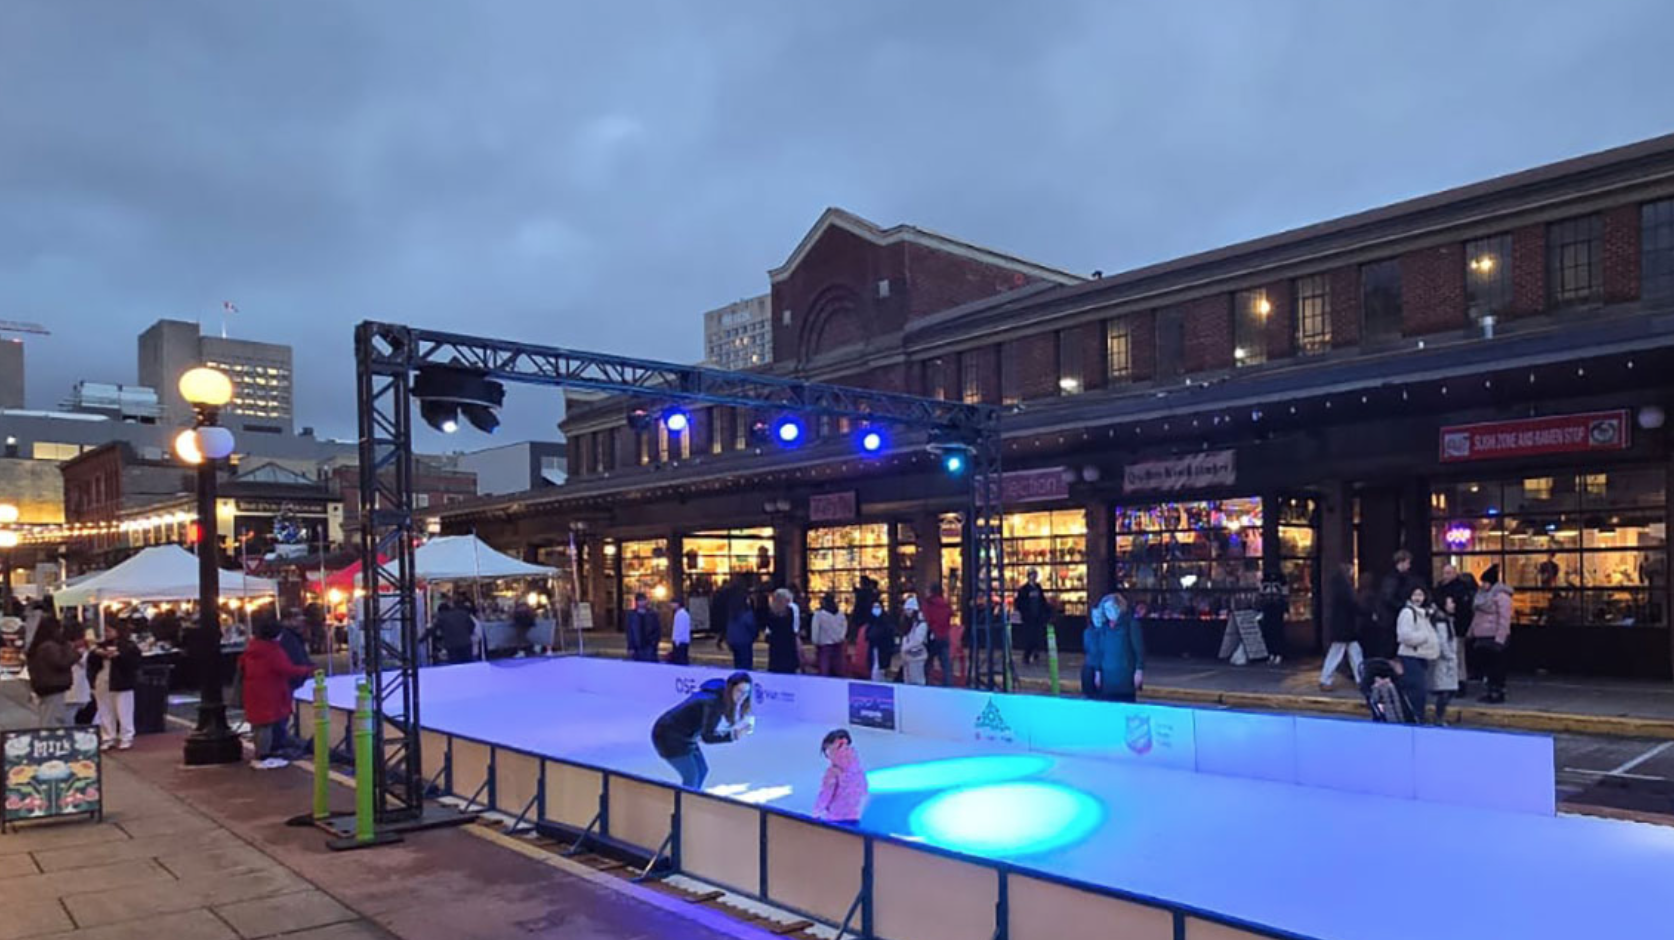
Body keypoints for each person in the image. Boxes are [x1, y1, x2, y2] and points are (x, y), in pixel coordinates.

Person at [650, 671, 754, 788]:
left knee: (702, 770)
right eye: (739, 691)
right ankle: (685, 803)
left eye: (746, 693)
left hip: (682, 734)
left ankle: (692, 800)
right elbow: (707, 737)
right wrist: (733, 735)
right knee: (692, 776)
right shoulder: (713, 703)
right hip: (667, 736)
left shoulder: (720, 696)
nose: (742, 697)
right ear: (731, 688)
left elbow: (704, 730)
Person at [240, 615, 316, 768]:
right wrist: (307, 670)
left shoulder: (253, 648)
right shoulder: (272, 650)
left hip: (254, 690)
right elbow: (286, 668)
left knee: (259, 724)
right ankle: (265, 754)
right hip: (271, 691)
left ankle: (261, 752)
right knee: (267, 723)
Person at [89, 622, 142, 749]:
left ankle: (126, 736)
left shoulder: (128, 645)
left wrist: (118, 656)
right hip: (103, 680)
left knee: (124, 710)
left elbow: (134, 663)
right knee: (104, 710)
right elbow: (92, 662)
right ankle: (108, 736)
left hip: (121, 681)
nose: (106, 634)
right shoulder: (100, 646)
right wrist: (97, 654)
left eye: (109, 630)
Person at [1086, 592, 1145, 702]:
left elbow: (1138, 649)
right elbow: (1100, 651)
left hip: (1125, 675)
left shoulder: (1131, 624)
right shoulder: (1104, 628)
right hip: (1107, 677)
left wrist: (1139, 670)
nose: (1110, 612)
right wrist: (1098, 672)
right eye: (1106, 609)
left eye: (1112, 608)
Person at [1394, 586, 1440, 724]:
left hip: (1421, 656)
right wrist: (1424, 637)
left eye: (1420, 595)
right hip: (1411, 656)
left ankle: (1416, 717)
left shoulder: (1424, 614)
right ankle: (1413, 718)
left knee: (1419, 691)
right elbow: (1404, 636)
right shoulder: (1408, 613)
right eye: (1415, 595)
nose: (1418, 598)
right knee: (1415, 691)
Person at [1471, 565, 1513, 703]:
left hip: (1494, 636)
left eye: (1485, 582)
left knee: (1497, 667)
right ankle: (1489, 690)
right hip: (1482, 636)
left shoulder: (1502, 597)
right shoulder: (1481, 595)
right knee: (1487, 666)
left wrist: (1500, 639)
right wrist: (1471, 632)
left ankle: (1497, 692)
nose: (1482, 585)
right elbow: (1476, 617)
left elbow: (1504, 618)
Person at [25, 616, 78, 727]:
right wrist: (74, 652)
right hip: (54, 685)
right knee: (53, 717)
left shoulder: (38, 646)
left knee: (48, 714)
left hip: (45, 685)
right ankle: (50, 738)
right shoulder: (49, 646)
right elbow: (62, 662)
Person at [1320, 562, 1365, 690]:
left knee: (1348, 652)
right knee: (1344, 653)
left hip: (1342, 627)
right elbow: (1353, 605)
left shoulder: (1338, 587)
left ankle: (1359, 679)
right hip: (1346, 627)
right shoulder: (1345, 589)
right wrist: (1365, 612)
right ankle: (1326, 679)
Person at [1371, 550, 1422, 661]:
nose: (1409, 566)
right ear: (1401, 562)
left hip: (1390, 619)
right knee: (1391, 648)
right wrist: (1404, 606)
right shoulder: (1394, 579)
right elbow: (1388, 598)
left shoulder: (1393, 578)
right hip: (1391, 619)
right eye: (1408, 563)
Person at [811, 729, 868, 825]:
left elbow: (825, 795)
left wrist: (815, 815)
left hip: (836, 818)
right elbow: (863, 789)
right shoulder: (857, 768)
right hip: (855, 815)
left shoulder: (833, 772)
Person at [1434, 564, 1476, 690]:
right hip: (1441, 625)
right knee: (1443, 655)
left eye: (1449, 573)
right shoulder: (1439, 588)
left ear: (1455, 574)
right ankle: (1445, 681)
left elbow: (1465, 610)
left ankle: (1460, 681)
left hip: (1457, 626)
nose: (1446, 576)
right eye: (1445, 573)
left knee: (1458, 655)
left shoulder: (1461, 589)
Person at [1429, 595, 1462, 725]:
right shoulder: (1441, 621)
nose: (1453, 605)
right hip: (1444, 661)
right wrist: (1450, 656)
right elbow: (1442, 642)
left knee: (1448, 689)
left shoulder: (1447, 620)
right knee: (1445, 690)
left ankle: (1439, 716)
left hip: (1447, 660)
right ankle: (1439, 717)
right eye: (1451, 602)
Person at [423, 601, 478, 665]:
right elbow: (472, 625)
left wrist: (421, 639)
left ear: (440, 611)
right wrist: (467, 633)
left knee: (456, 666)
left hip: (452, 645)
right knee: (468, 665)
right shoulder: (463, 613)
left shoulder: (441, 617)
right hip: (466, 643)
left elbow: (432, 630)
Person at [921, 583, 955, 687]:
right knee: (945, 663)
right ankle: (948, 685)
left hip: (932, 635)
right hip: (944, 635)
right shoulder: (945, 604)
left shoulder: (928, 604)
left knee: (927, 661)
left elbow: (927, 619)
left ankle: (927, 683)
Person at [1014, 570, 1050, 666]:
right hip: (1028, 618)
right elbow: (1019, 603)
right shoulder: (1024, 589)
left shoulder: (1038, 588)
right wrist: (1024, 613)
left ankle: (1035, 652)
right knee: (1030, 637)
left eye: (1035, 575)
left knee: (1037, 636)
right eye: (1032, 575)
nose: (1033, 577)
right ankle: (1027, 655)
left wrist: (1046, 612)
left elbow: (1042, 601)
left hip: (1037, 617)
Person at [721, 581, 759, 670]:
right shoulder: (745, 610)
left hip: (734, 640)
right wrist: (754, 635)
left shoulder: (731, 609)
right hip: (745, 640)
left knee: (737, 663)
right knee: (746, 664)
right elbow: (750, 624)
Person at [763, 588, 800, 675]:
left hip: (775, 645)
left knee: (776, 669)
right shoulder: (790, 611)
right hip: (788, 644)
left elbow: (768, 628)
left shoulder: (770, 613)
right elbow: (795, 627)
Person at [277, 609, 314, 692]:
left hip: (298, 678)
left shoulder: (294, 636)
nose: (300, 623)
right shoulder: (287, 637)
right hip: (293, 681)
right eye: (296, 620)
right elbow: (294, 657)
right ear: (286, 620)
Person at [810, 593, 847, 678]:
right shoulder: (841, 615)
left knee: (824, 673)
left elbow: (815, 632)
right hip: (838, 646)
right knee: (839, 671)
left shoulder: (818, 615)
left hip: (824, 647)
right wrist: (840, 638)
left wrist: (815, 642)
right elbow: (844, 629)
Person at [66, 627, 96, 726]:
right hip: (72, 690)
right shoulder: (68, 650)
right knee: (68, 718)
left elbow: (85, 663)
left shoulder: (85, 652)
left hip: (80, 689)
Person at [899, 598, 930, 685]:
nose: (907, 612)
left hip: (917, 656)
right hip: (907, 656)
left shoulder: (922, 624)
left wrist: (905, 648)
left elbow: (918, 640)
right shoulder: (910, 623)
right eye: (906, 610)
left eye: (909, 609)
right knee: (907, 680)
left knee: (917, 680)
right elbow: (906, 636)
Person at [865, 601, 897, 682]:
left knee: (881, 672)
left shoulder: (887, 621)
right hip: (874, 650)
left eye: (878, 607)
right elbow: (868, 636)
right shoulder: (871, 621)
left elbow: (890, 636)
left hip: (884, 650)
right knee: (875, 671)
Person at [625, 593, 661, 663]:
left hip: (649, 646)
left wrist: (654, 644)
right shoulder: (632, 615)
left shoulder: (652, 614)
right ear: (636, 602)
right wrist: (630, 646)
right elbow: (630, 632)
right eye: (640, 601)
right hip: (636, 646)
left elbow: (657, 630)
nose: (641, 603)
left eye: (643, 600)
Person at [668, 598, 691, 665]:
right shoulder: (680, 614)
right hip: (681, 640)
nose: (671, 605)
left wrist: (677, 640)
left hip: (680, 641)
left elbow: (680, 628)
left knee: (680, 660)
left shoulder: (681, 614)